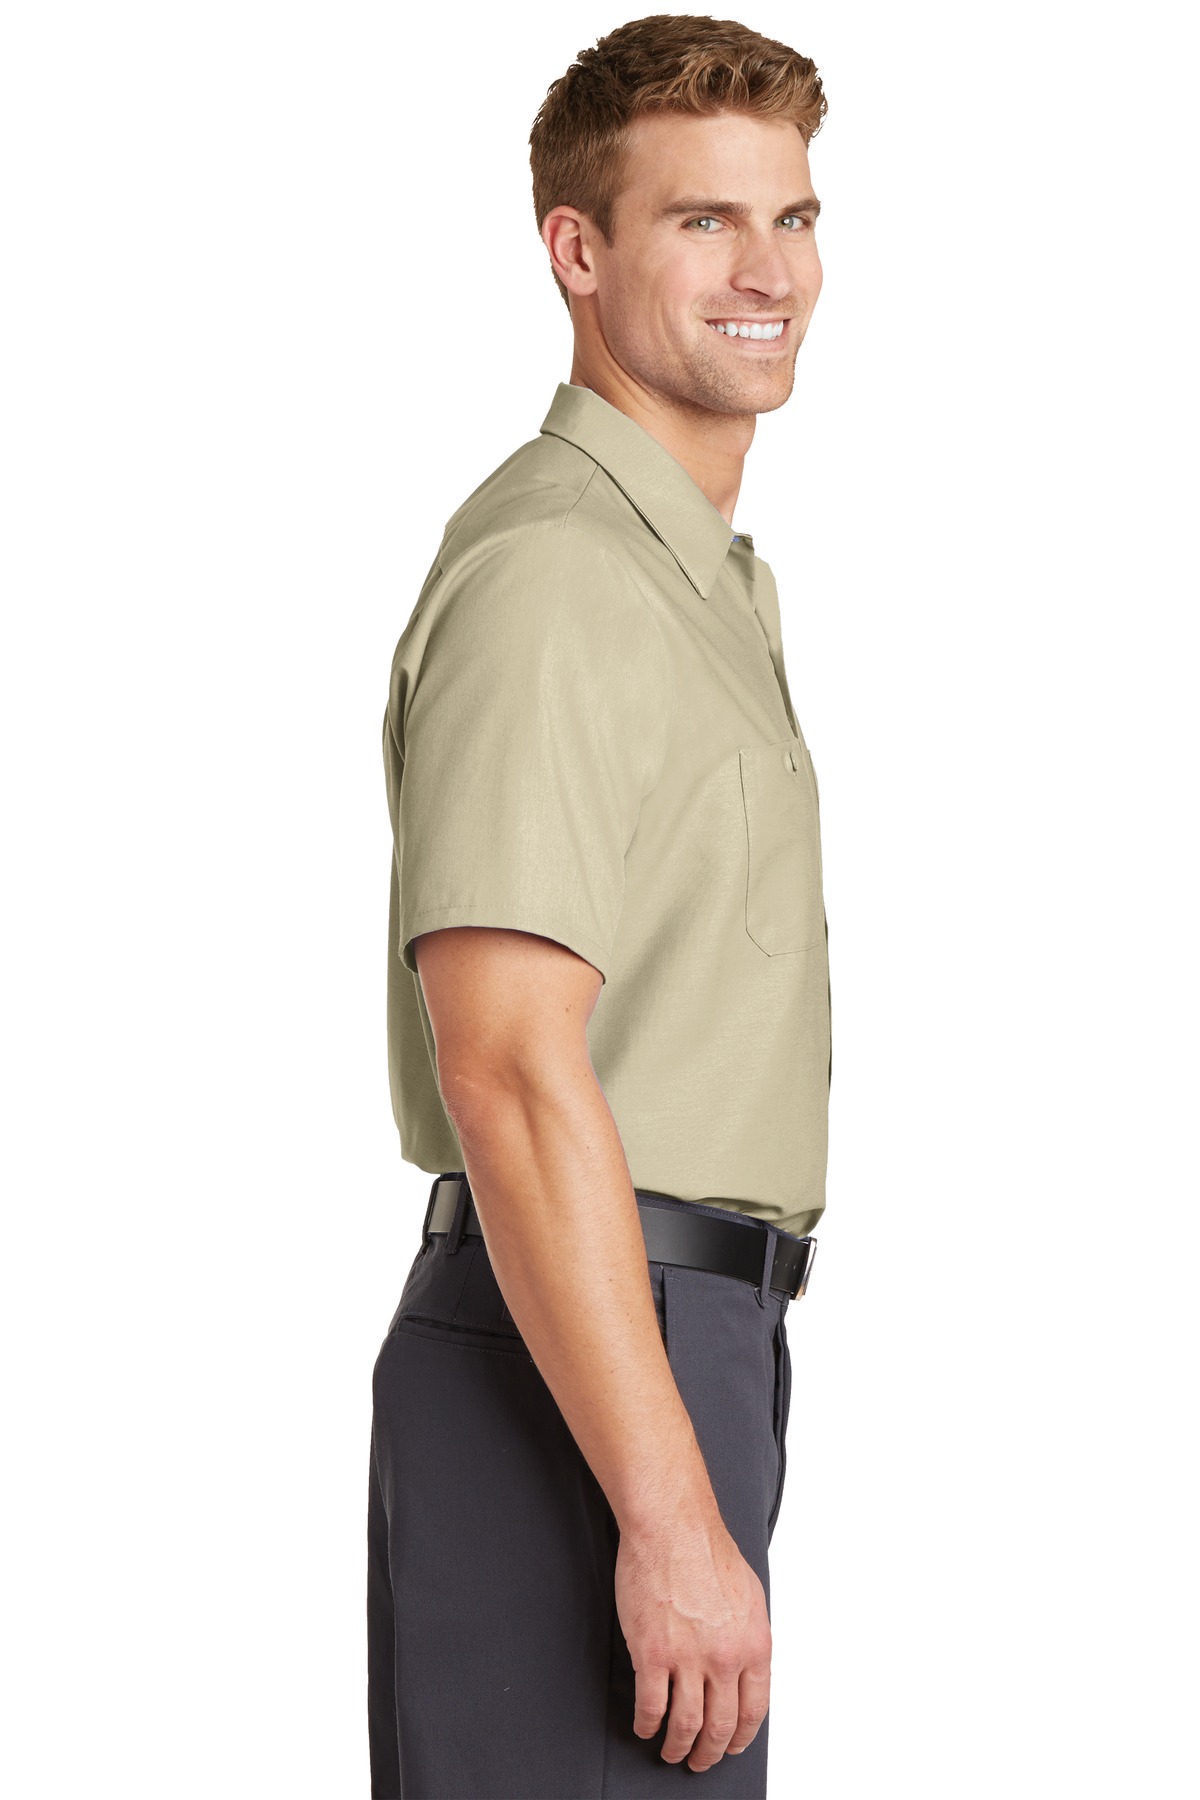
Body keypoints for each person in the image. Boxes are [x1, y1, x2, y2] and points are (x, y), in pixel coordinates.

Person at [369, 16, 831, 1797]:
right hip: (580, 1342)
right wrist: (667, 1511)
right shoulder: (559, 575)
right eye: (705, 221)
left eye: (793, 218)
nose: (769, 271)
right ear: (577, 251)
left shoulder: (695, 582)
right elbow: (501, 1063)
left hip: (669, 1338)